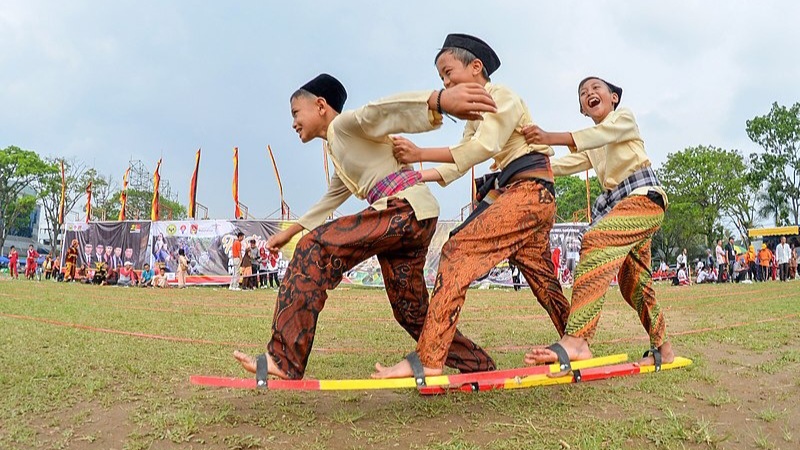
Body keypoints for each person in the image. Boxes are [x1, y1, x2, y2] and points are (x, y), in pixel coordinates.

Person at [233, 71, 499, 381]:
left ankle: (283, 358)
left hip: (403, 210)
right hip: (414, 218)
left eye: (295, 113)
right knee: (409, 311)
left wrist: (437, 101)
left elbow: (380, 111)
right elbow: (331, 198)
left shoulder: (344, 127)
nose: (293, 123)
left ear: (320, 106)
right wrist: (290, 231)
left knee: (313, 250)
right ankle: (478, 364)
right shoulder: (340, 152)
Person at [372, 34, 570, 380]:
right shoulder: (473, 117)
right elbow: (458, 163)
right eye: (441, 79)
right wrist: (413, 177)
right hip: (525, 193)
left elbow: (483, 147)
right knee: (540, 274)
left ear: (476, 68)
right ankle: (575, 339)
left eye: (449, 73)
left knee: (457, 250)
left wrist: (419, 154)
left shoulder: (501, 96)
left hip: (528, 192)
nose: (446, 83)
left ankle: (430, 358)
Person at [501, 76, 673, 374]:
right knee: (634, 283)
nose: (589, 93)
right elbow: (560, 165)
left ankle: (577, 340)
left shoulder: (624, 119)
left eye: (596, 89)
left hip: (645, 200)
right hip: (621, 208)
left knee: (594, 240)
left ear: (614, 98)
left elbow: (596, 136)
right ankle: (663, 348)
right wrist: (514, 170)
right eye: (583, 93)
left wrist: (548, 136)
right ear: (583, 108)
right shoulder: (593, 142)